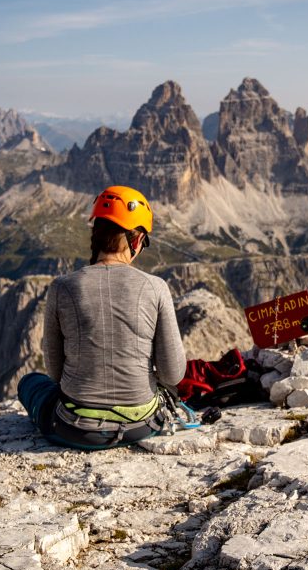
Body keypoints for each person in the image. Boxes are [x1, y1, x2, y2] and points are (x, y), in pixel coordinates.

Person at [17, 185, 186, 449]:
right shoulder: (156, 287)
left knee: (30, 382)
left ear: (95, 233)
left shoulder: (62, 287)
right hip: (141, 425)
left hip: (74, 428)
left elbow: (55, 372)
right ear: (137, 240)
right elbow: (173, 374)